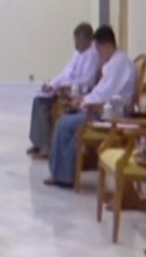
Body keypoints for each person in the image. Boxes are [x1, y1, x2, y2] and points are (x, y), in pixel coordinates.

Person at [45, 25, 136, 188]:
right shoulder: (115, 62)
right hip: (100, 108)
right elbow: (101, 90)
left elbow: (105, 95)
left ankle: (64, 176)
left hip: (109, 115)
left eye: (99, 50)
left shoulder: (119, 64)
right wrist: (83, 99)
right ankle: (60, 173)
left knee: (66, 124)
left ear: (106, 45)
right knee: (63, 121)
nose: (98, 55)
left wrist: (84, 102)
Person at [26, 23, 100, 158]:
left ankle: (47, 147)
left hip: (77, 92)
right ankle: (38, 142)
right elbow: (66, 72)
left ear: (88, 39)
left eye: (79, 41)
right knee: (38, 99)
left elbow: (87, 81)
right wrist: (52, 84)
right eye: (75, 40)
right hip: (65, 88)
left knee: (43, 104)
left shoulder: (93, 55)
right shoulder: (78, 53)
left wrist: (65, 86)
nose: (76, 44)